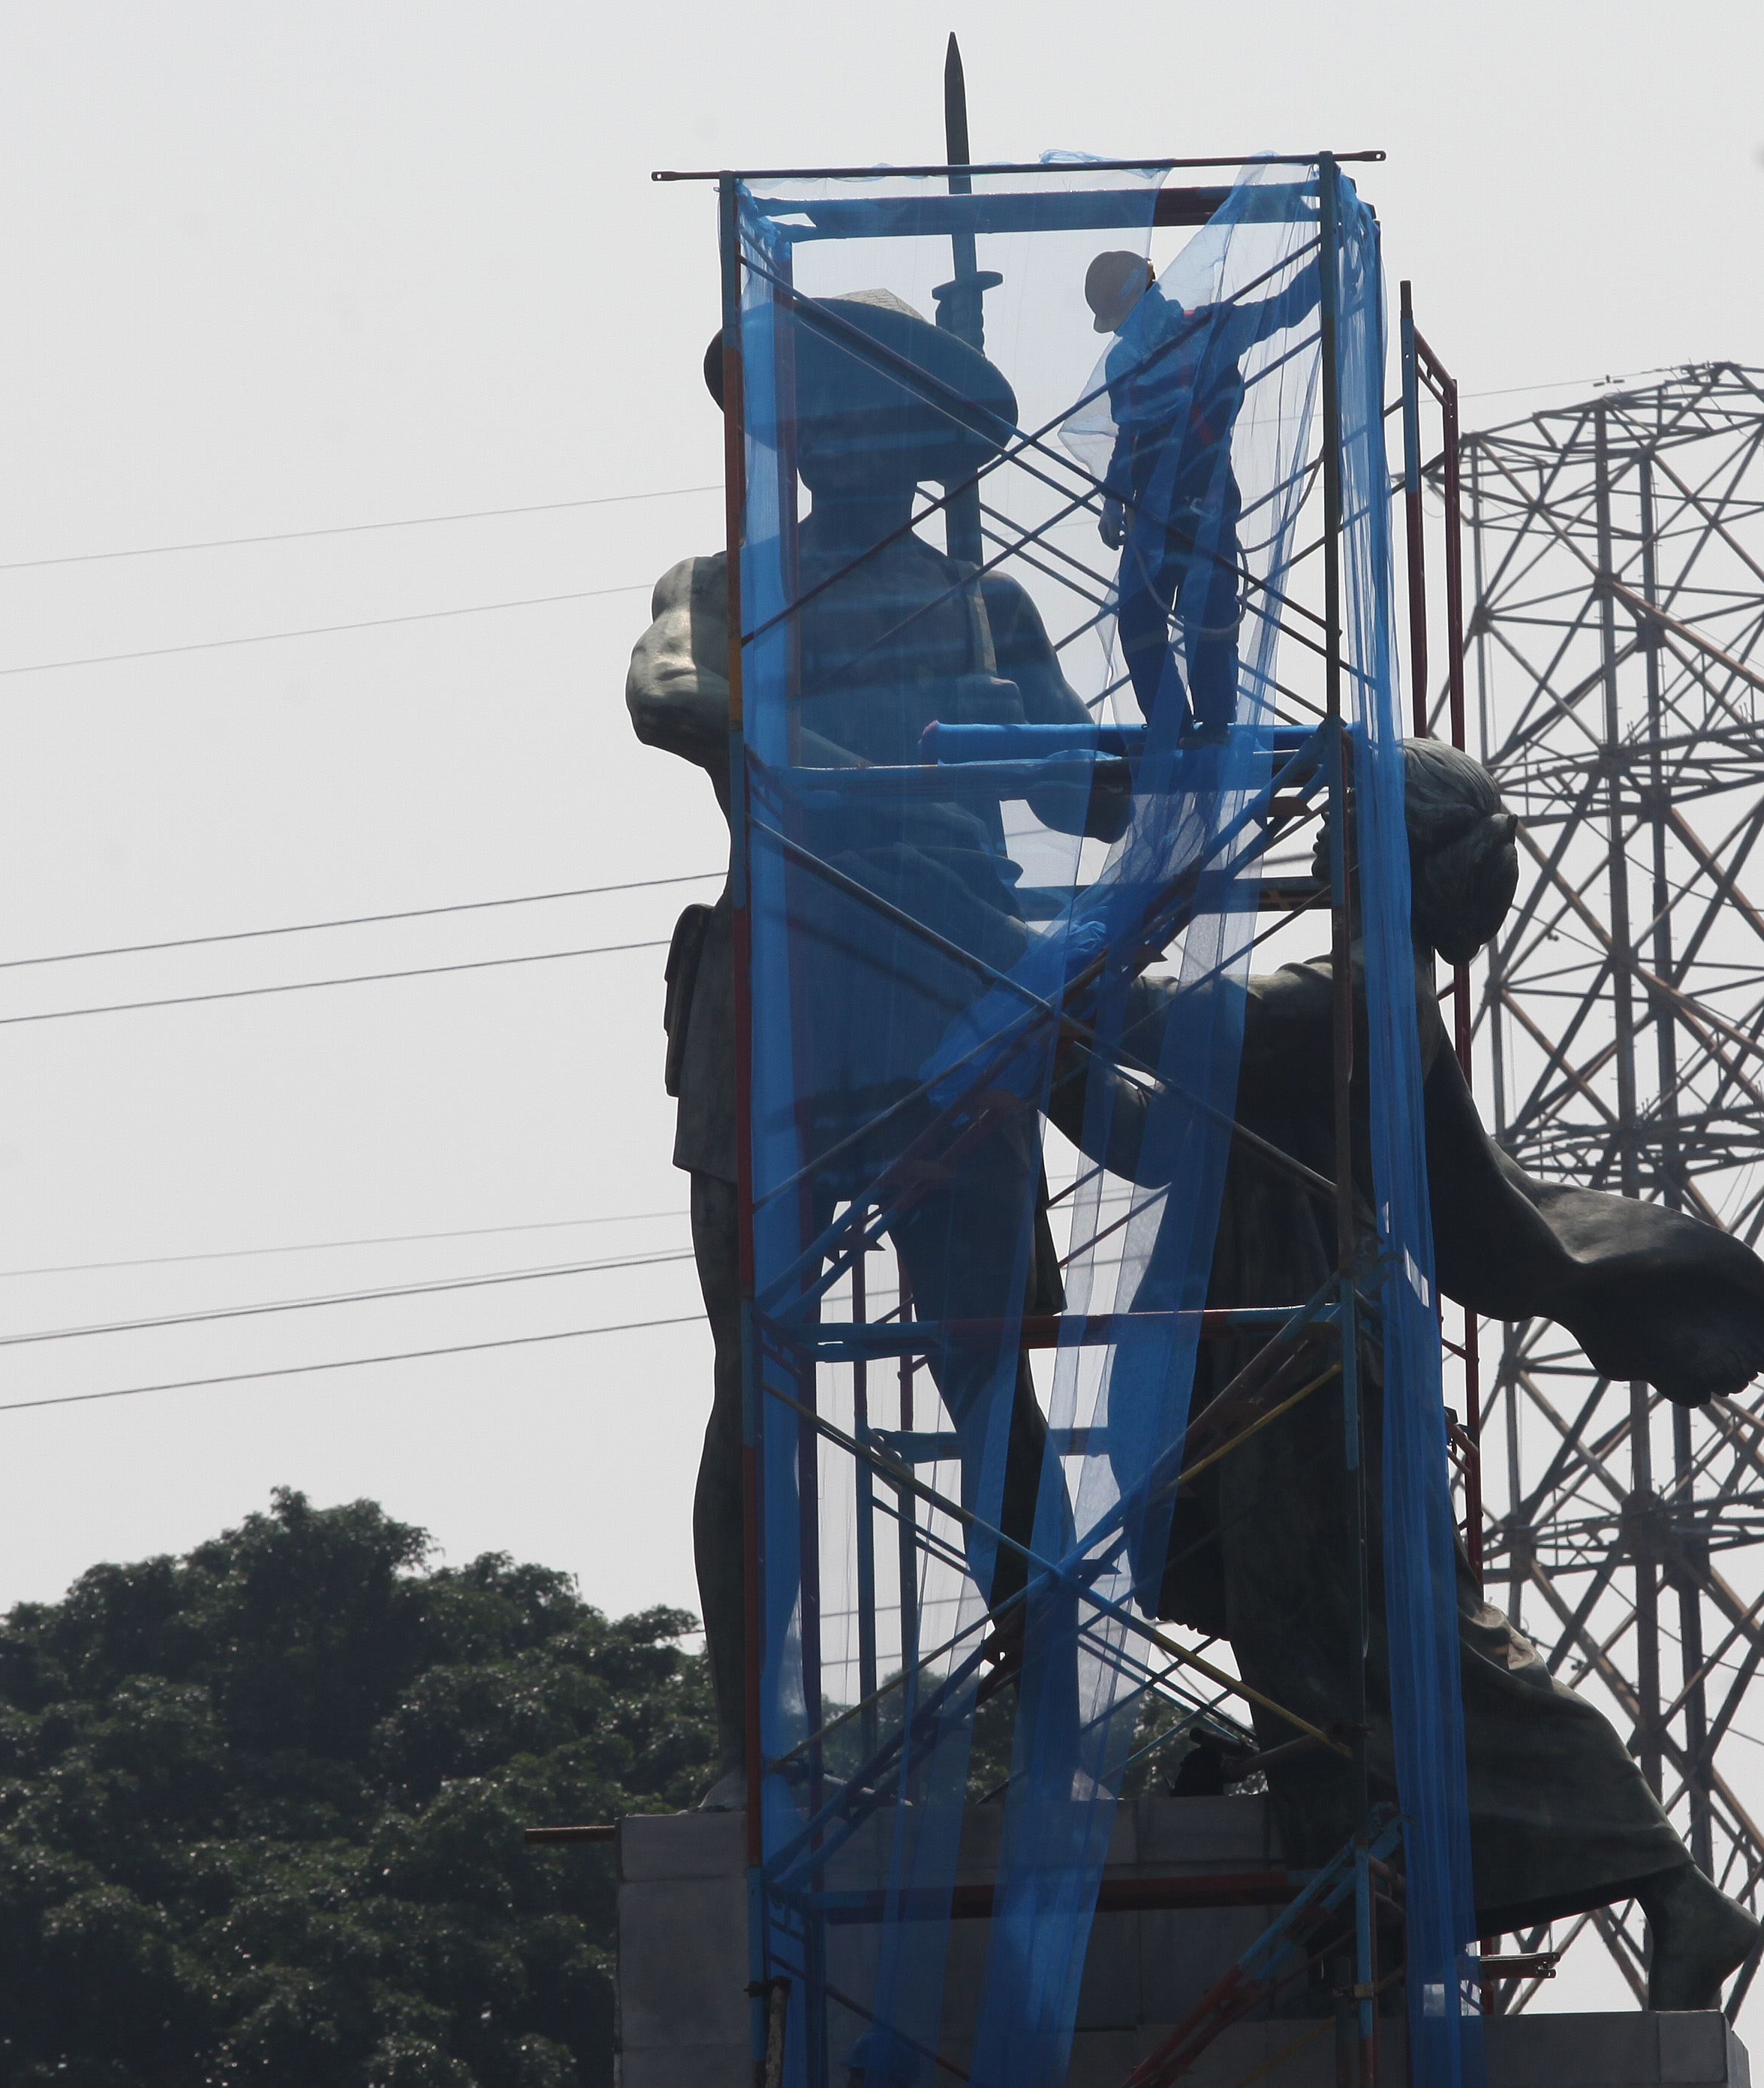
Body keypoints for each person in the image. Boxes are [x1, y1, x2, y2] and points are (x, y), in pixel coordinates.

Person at [1043, 739, 1764, 2006]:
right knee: (1309, 1644)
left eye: (1342, 818)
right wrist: (1064, 1038)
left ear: (1380, 850)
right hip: (1267, 1345)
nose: (1318, 839)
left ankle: (1664, 1882)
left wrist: (1085, 939)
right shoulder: (1350, 992)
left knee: (1403, 1642)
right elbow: (1146, 1134)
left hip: (1310, 1360)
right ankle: (1376, 1885)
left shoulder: (1349, 992)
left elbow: (1176, 1035)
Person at [627, 290, 1127, 1803]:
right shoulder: (718, 587)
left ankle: (1052, 1727)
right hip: (776, 1000)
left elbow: (1094, 799)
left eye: (870, 412)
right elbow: (674, 694)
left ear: (922, 441)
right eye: (814, 408)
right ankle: (744, 1750)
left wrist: (1034, 733)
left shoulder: (992, 609)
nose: (837, 440)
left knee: (983, 1371)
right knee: (751, 1379)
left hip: (942, 995)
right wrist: (859, 765)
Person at [1085, 247, 1325, 742]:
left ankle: (1215, 725)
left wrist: (1330, 253)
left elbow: (1285, 308)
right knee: (1139, 618)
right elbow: (1128, 440)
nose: (1123, 332)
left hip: (1204, 502)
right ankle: (1172, 726)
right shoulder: (1126, 362)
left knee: (1209, 618)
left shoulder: (1211, 330)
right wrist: (1113, 498)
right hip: (1152, 513)